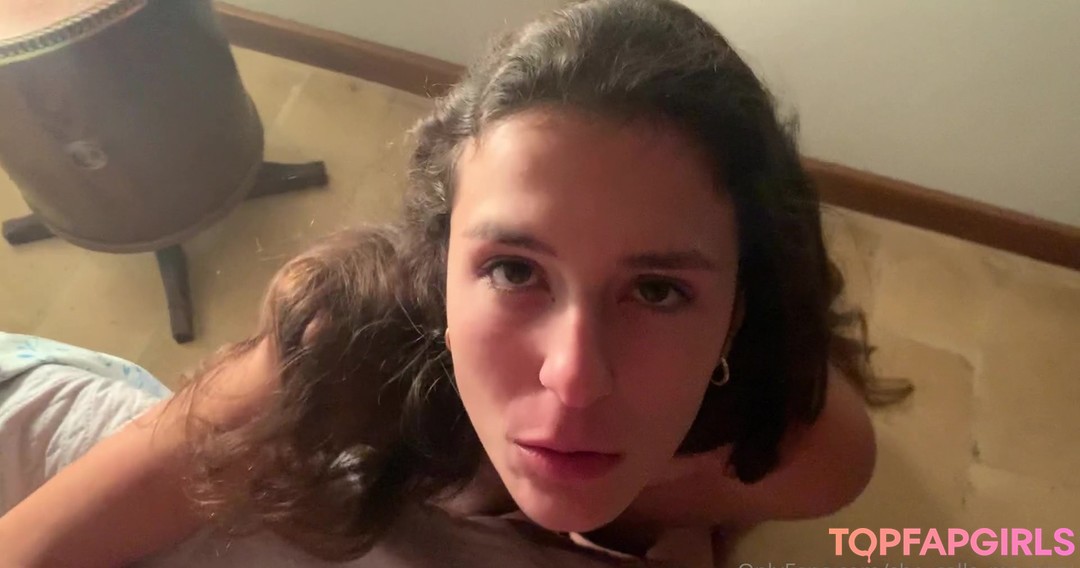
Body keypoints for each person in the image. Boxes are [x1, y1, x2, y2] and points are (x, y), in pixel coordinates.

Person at [0, 0, 911, 565]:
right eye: (515, 270)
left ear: (737, 310)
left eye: (658, 291)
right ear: (439, 269)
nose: (574, 377)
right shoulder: (340, 332)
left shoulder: (806, 453)